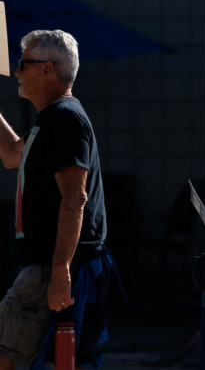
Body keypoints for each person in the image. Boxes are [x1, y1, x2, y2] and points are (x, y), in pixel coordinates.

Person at [0, 30, 119, 370]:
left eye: (23, 64)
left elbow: (74, 198)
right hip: (46, 266)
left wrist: (60, 270)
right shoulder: (51, 118)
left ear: (47, 70)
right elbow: (10, 155)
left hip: (54, 268)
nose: (16, 72)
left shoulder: (64, 117)